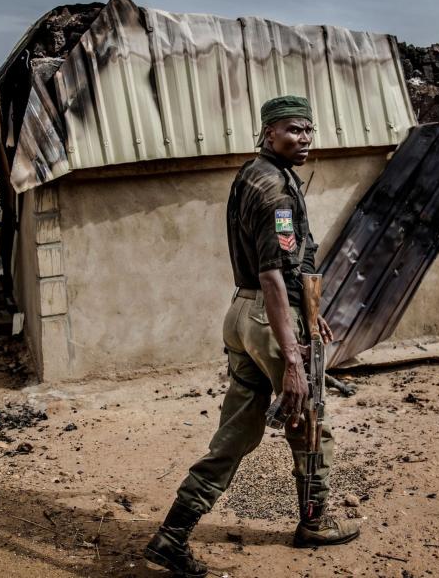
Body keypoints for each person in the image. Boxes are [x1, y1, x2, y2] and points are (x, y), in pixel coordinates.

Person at [143, 96, 360, 577]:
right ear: (267, 132)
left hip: (241, 314)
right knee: (309, 422)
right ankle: (315, 522)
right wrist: (294, 359)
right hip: (267, 317)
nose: (303, 138)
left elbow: (290, 265)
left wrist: (312, 309)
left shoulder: (255, 173)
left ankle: (171, 536)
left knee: (237, 432)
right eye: (292, 130)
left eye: (309, 129)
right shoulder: (277, 193)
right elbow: (272, 275)